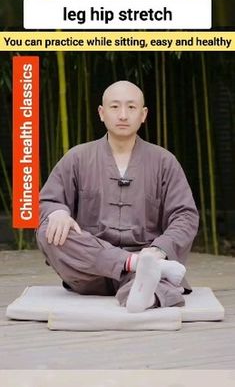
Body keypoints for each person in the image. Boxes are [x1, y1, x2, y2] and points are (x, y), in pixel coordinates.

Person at [36, 80, 199, 313]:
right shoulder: (78, 157)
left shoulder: (164, 162)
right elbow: (49, 201)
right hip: (90, 269)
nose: (123, 115)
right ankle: (137, 268)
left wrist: (159, 250)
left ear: (143, 115)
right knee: (48, 231)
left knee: (152, 275)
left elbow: (185, 216)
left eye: (131, 108)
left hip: (148, 254)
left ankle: (144, 288)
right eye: (114, 107)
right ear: (101, 113)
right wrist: (58, 212)